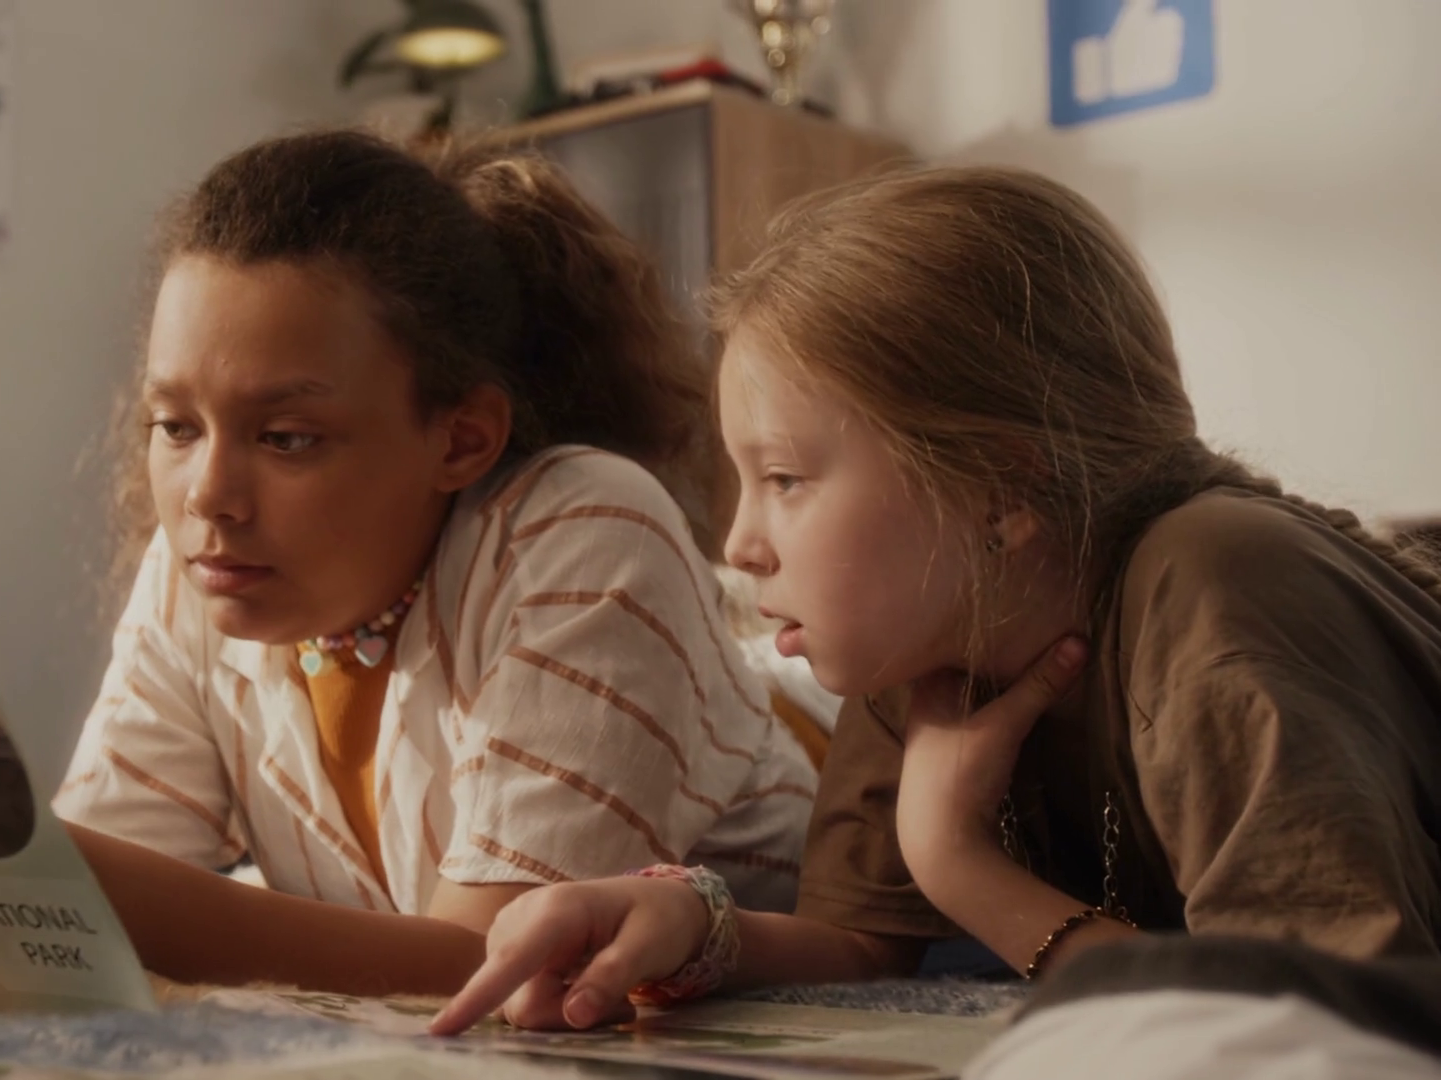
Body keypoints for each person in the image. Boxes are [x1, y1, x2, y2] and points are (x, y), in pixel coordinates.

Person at [0, 130, 815, 995]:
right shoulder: (200, 570)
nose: (207, 495)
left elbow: (486, 962)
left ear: (461, 437)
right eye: (174, 426)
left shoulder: (583, 527)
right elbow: (64, 923)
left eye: (289, 437)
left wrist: (32, 868)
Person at [431, 165, 1441, 1034]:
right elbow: (864, 945)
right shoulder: (929, 631)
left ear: (1000, 492)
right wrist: (692, 925)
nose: (738, 545)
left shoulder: (1214, 585)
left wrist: (957, 864)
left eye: (784, 478)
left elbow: (1313, 1026)